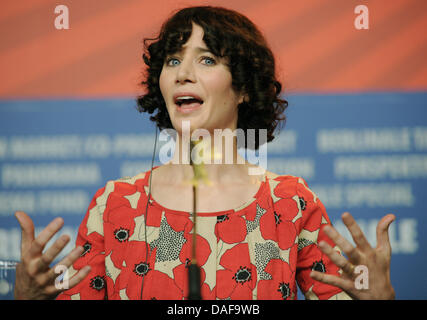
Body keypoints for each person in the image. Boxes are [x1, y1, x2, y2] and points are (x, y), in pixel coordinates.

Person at [13, 6, 395, 300]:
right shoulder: (115, 204)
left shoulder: (290, 202)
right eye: (173, 60)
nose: (183, 73)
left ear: (243, 88)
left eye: (207, 59)